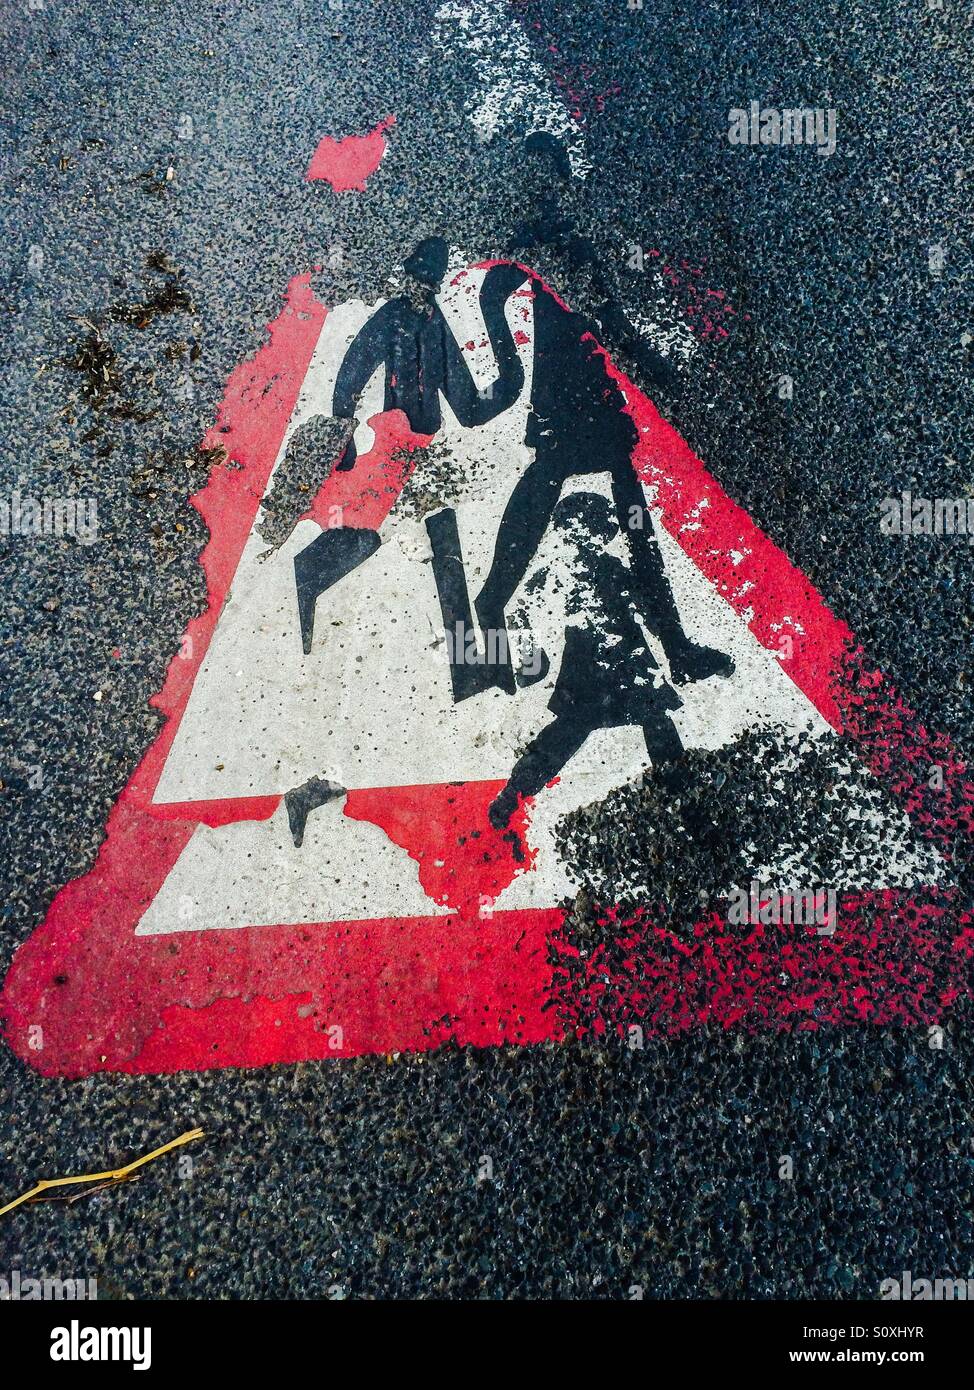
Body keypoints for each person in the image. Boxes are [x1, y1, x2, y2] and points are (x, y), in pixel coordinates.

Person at [488, 491, 690, 830]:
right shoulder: (563, 571)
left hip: (624, 664)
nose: (590, 537)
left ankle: (682, 793)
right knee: (569, 733)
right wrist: (530, 659)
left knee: (653, 722)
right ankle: (514, 792)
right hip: (601, 667)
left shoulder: (600, 569)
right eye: (583, 529)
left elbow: (649, 611)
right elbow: (520, 610)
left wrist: (674, 645)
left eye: (595, 530)